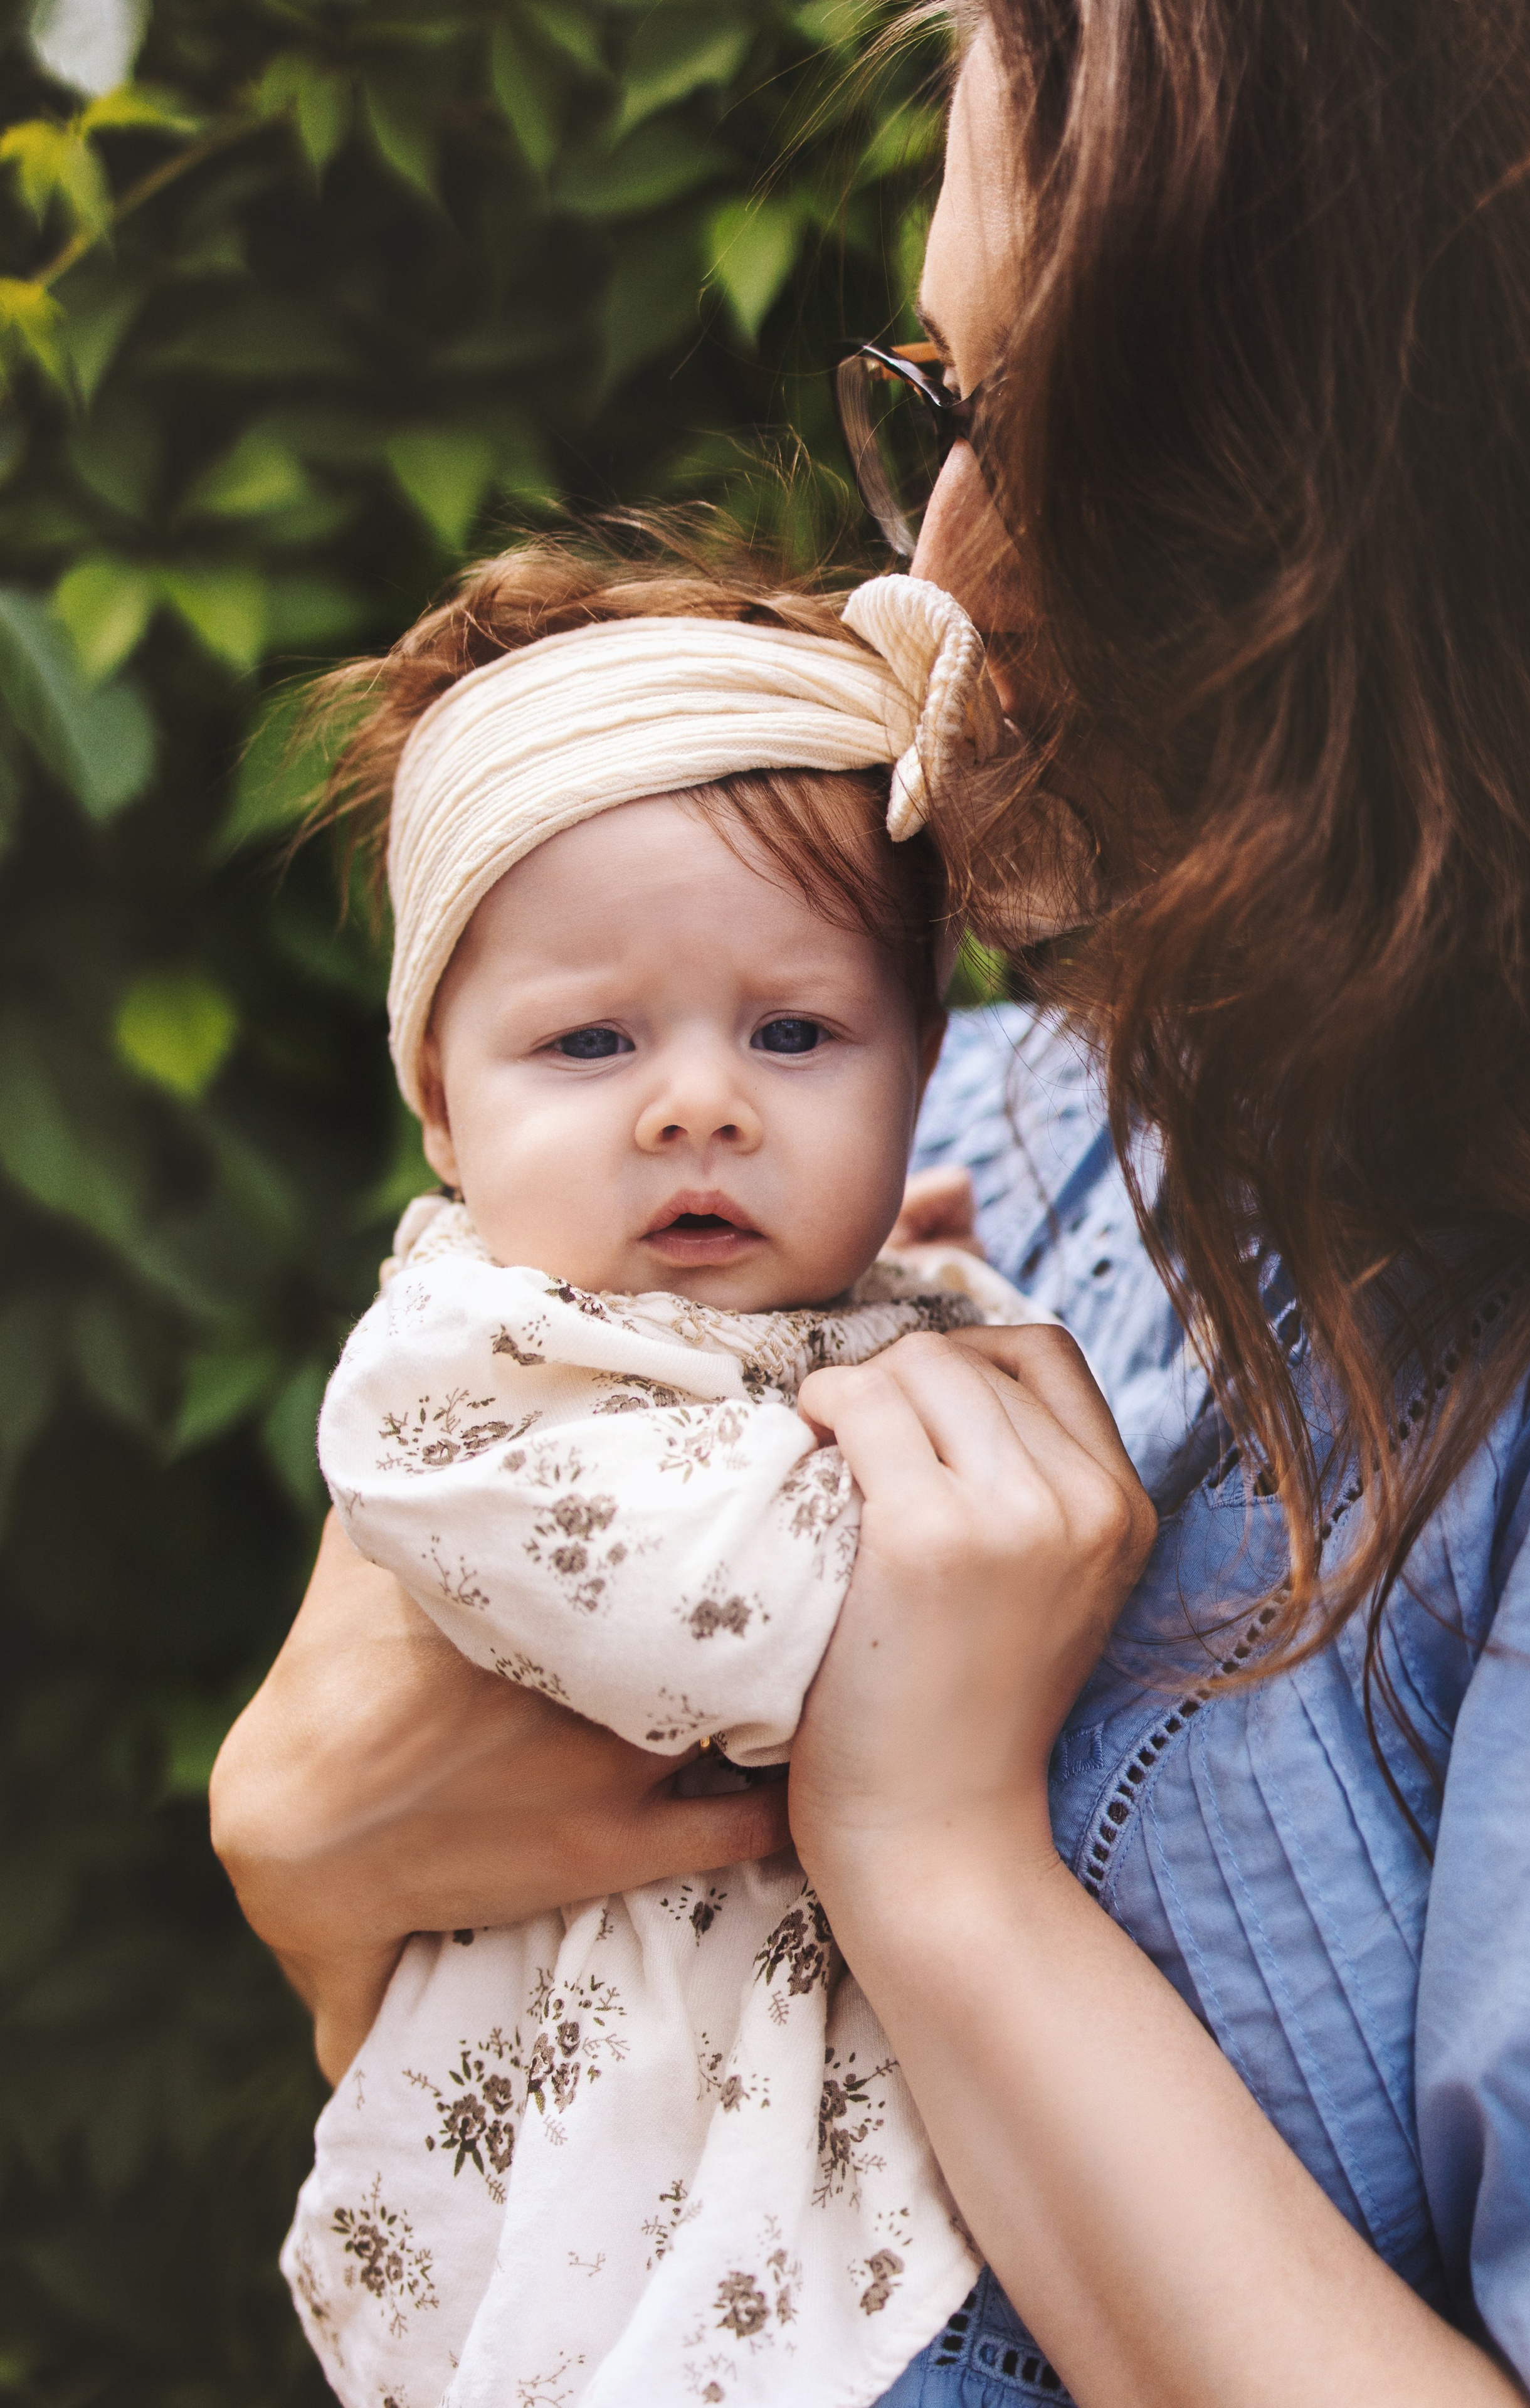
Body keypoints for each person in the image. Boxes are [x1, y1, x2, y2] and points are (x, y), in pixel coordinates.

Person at [213, 1, 1530, 2402]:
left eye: (1060, 442)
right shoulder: (1014, 1107)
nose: (932, 565)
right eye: (932, 398)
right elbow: (445, 1950)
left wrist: (940, 1863)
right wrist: (310, 1847)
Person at [283, 552, 1031, 2406]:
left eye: (795, 1035)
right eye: (589, 1041)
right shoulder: (460, 1370)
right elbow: (744, 1626)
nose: (699, 1102)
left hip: (840, 2158)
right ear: (442, 1105)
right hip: (585, 2164)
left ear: (922, 1072)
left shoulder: (915, 1294)